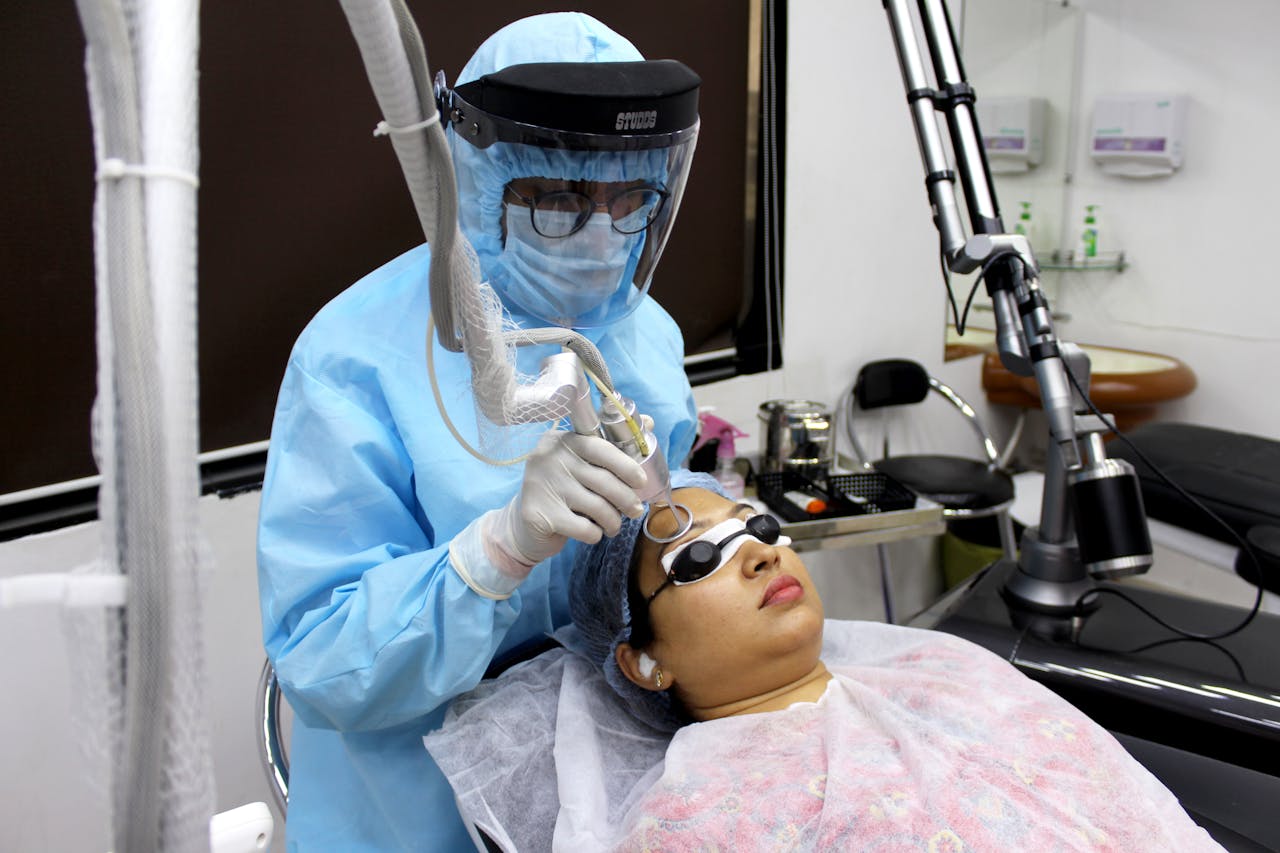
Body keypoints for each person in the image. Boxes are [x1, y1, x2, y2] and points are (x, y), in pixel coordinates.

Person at [256, 13, 701, 850]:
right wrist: (498, 551)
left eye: (631, 199)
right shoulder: (355, 355)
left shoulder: (646, 334)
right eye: (559, 200)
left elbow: (662, 510)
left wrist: (696, 519)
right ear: (483, 180)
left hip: (601, 798)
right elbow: (321, 659)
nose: (602, 238)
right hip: (413, 818)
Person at [424, 472, 1225, 851]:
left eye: (759, 526)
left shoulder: (941, 669)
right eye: (698, 558)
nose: (760, 553)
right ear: (644, 662)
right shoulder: (695, 821)